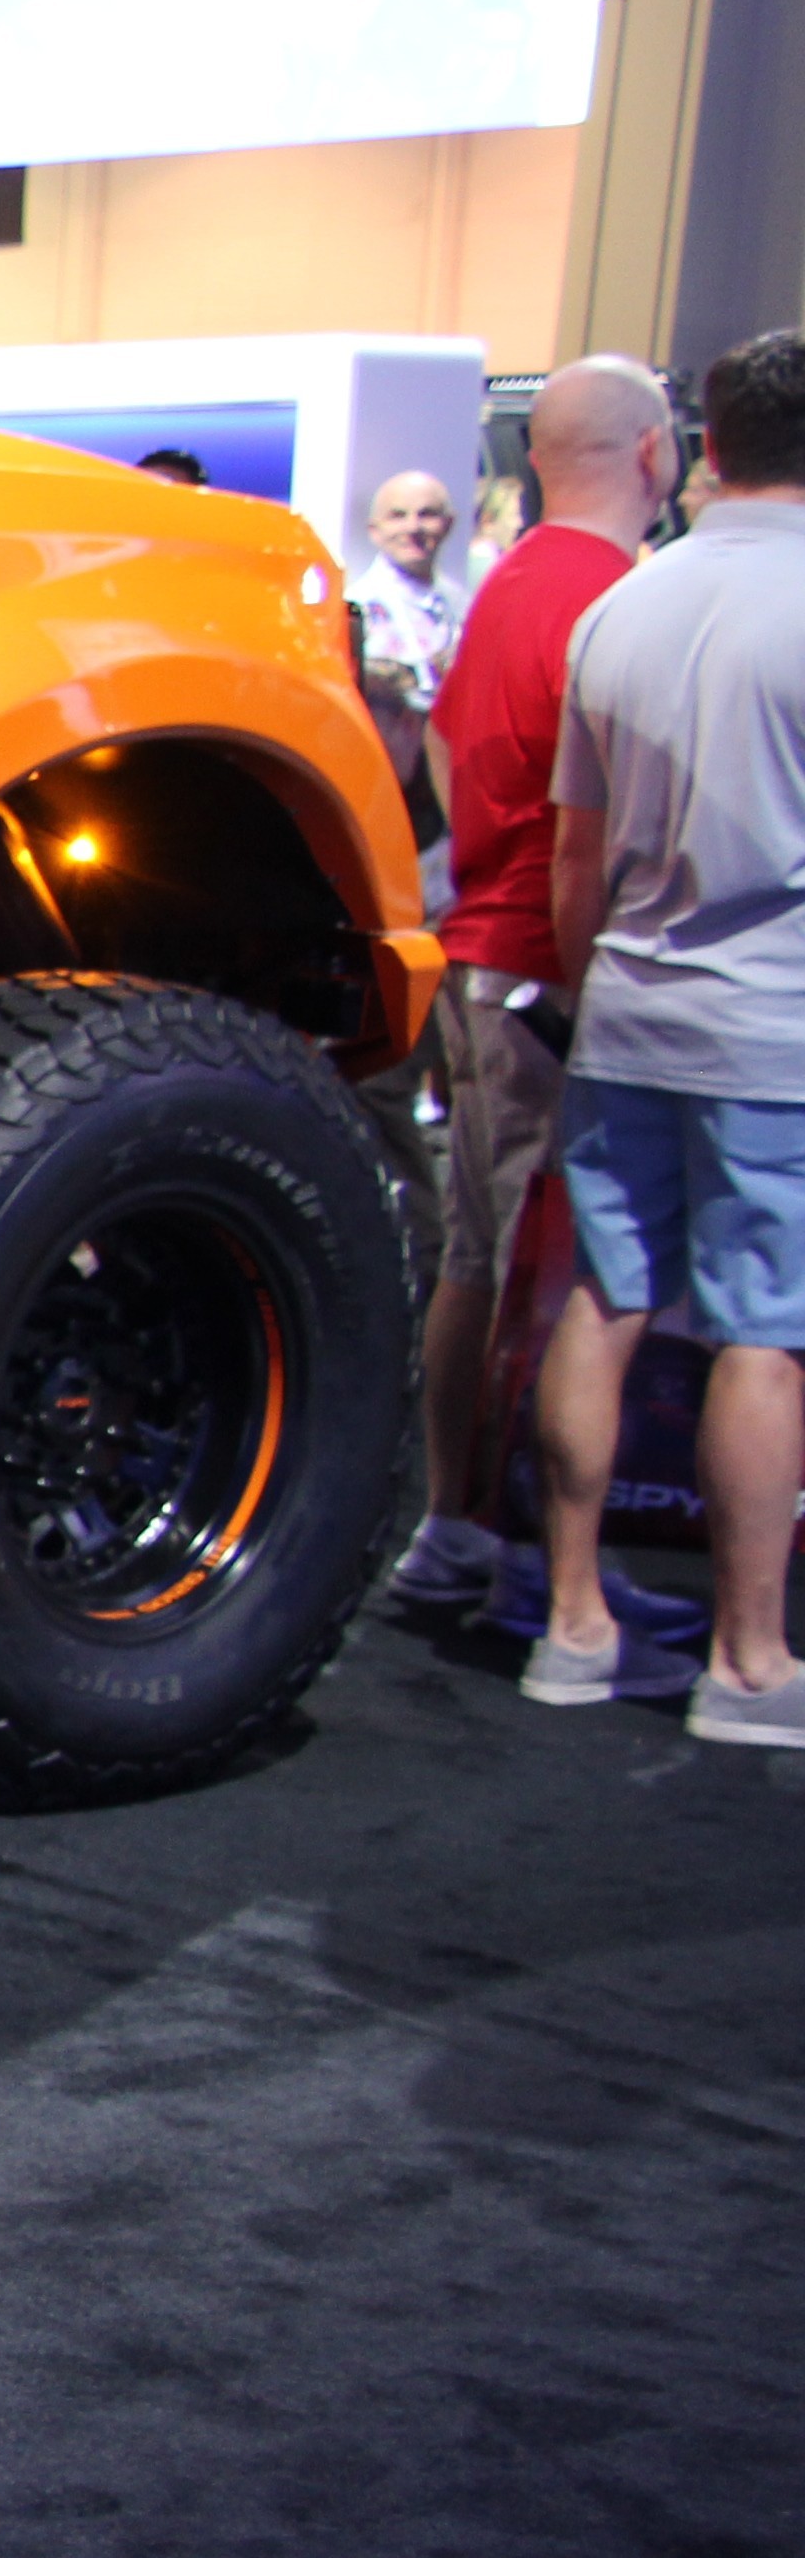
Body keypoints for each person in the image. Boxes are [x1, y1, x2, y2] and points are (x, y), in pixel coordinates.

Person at [521, 326, 805, 1743]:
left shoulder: (622, 607)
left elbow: (574, 857)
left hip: (628, 1010)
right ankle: (749, 1662)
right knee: (766, 1333)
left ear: (705, 442)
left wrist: (592, 997)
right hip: (777, 1032)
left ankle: (572, 1624)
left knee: (602, 1300)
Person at [396, 361, 679, 1617]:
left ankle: (455, 1523)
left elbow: (447, 747)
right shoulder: (612, 598)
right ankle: (526, 1559)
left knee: (483, 1251)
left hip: (489, 952)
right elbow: (597, 824)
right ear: (656, 454)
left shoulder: (513, 584)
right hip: (553, 974)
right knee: (558, 1278)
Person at [350, 465, 467, 805]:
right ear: (375, 530)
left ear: (448, 524)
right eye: (398, 516)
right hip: (389, 777)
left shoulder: (463, 604)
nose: (413, 527)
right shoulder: (356, 607)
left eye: (427, 514)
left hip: (450, 773)